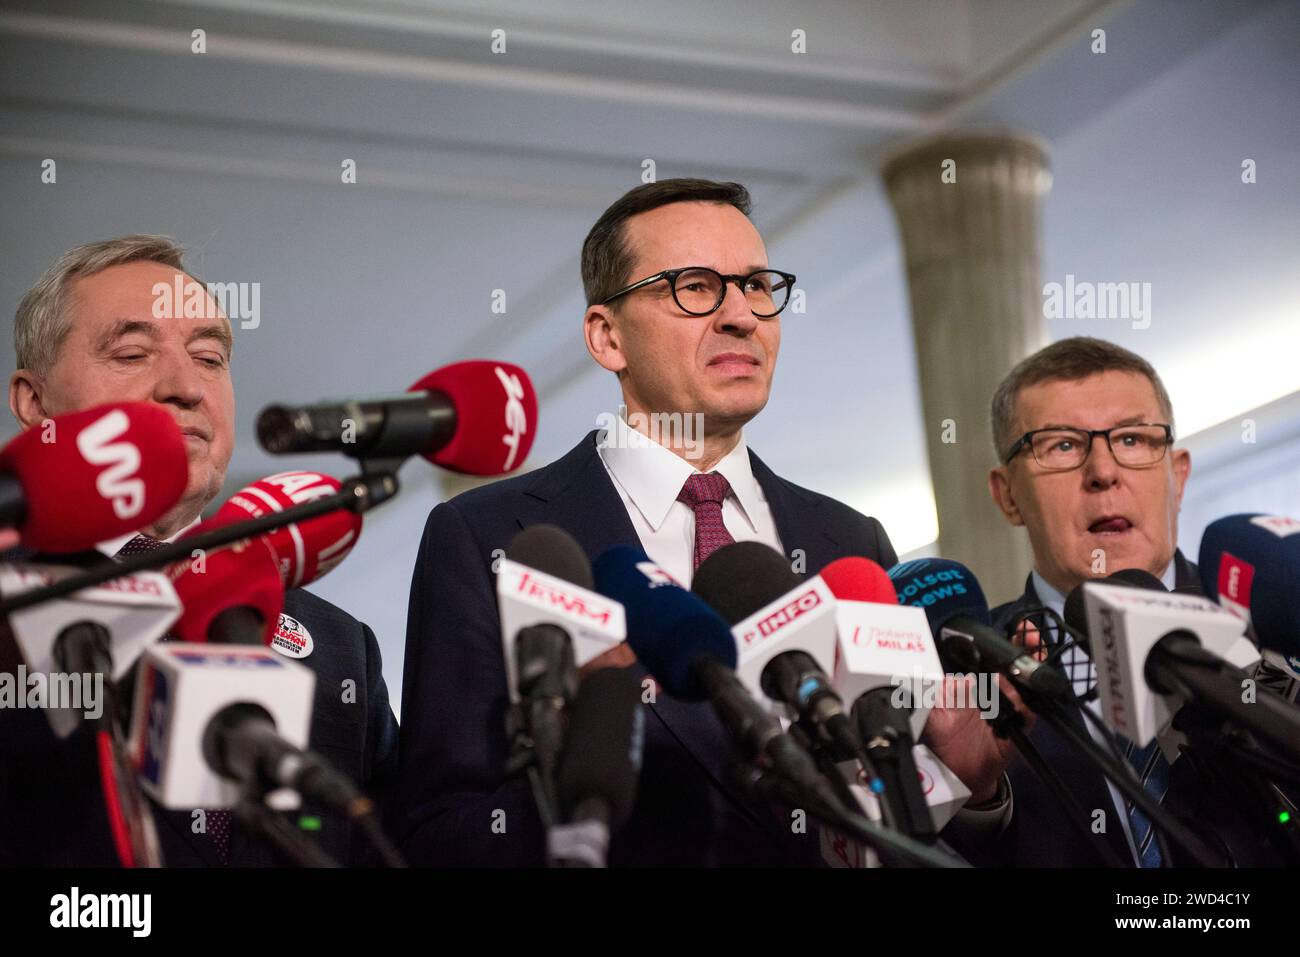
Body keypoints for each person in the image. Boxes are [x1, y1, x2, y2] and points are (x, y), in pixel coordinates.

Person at [397, 179, 1018, 866]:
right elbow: (441, 826)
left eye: (755, 286)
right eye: (695, 286)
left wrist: (978, 790)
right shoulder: (491, 537)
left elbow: (906, 815)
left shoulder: (852, 541)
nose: (740, 315)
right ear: (607, 337)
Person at [0, 235, 399, 866]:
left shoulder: (341, 644)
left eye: (210, 358)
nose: (186, 387)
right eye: (131, 353)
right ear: (34, 402)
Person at [985, 335, 1285, 866]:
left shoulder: (1273, 624)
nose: (1103, 472)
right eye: (1061, 445)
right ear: (1008, 495)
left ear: (1178, 474)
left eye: (1132, 440)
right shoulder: (967, 677)